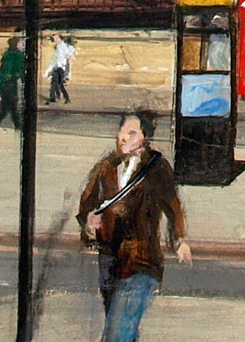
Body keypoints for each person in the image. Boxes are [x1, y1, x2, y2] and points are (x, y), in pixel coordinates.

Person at [78, 108, 190, 342]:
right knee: (120, 326)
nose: (123, 138)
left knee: (118, 333)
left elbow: (173, 205)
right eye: (121, 132)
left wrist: (180, 239)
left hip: (140, 259)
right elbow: (88, 202)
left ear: (145, 139)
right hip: (109, 258)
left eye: (131, 133)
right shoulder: (106, 166)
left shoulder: (156, 168)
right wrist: (89, 222)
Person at [0, 36, 28, 133]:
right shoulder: (17, 55)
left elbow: (2, 70)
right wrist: (23, 78)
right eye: (20, 43)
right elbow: (18, 69)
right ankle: (16, 125)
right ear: (17, 44)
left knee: (9, 105)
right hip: (10, 83)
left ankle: (14, 124)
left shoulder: (7, 54)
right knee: (11, 104)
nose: (22, 45)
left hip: (3, 83)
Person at [50, 32, 76, 105]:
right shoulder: (58, 46)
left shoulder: (63, 46)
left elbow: (68, 57)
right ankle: (53, 98)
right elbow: (55, 58)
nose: (54, 39)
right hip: (56, 67)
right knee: (54, 83)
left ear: (59, 38)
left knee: (60, 84)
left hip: (61, 68)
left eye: (55, 38)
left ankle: (65, 98)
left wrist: (67, 72)